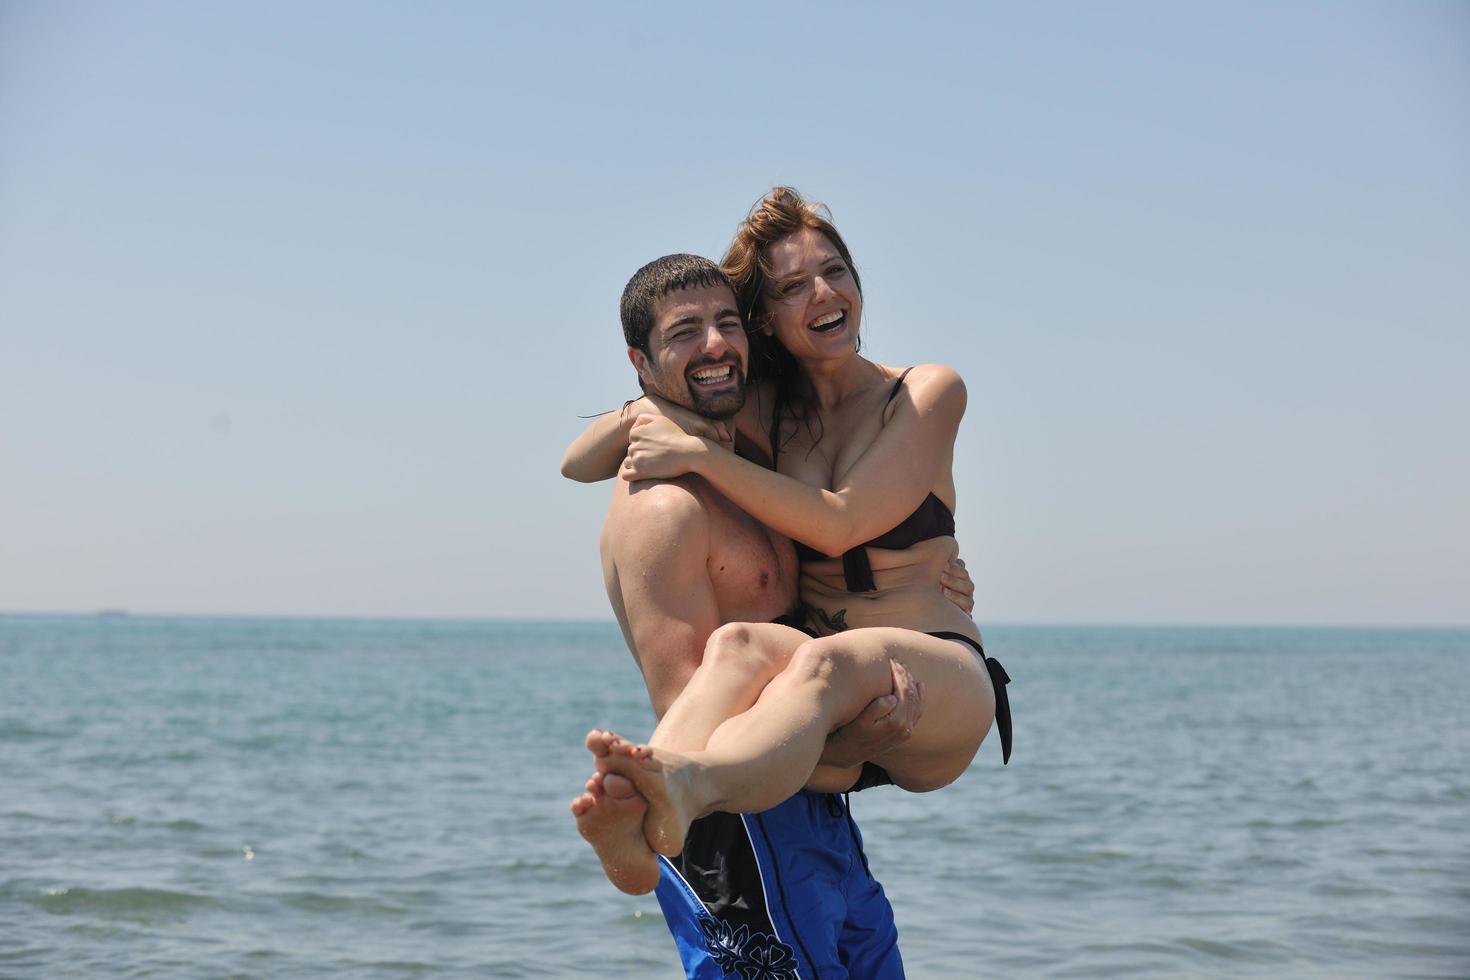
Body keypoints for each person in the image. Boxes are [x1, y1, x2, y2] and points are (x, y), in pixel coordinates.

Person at [569, 188, 1012, 904]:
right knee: (740, 645)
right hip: (826, 713)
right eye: (792, 287)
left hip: (933, 686)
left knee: (833, 659)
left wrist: (702, 458)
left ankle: (684, 789)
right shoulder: (770, 407)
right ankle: (644, 796)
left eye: (835, 271)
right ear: (766, 320)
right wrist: (644, 406)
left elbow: (838, 524)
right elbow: (579, 460)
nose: (824, 292)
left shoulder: (925, 392)